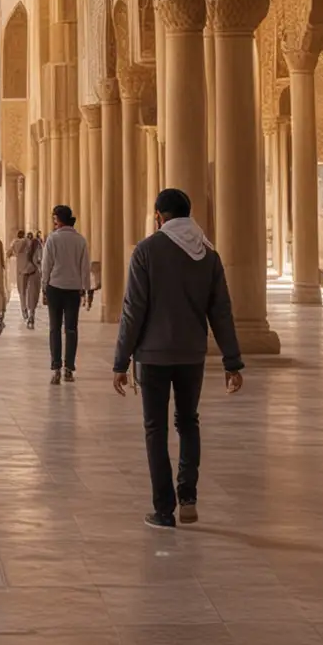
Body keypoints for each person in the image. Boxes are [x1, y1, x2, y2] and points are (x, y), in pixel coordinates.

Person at [113, 187, 244, 529]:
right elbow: (221, 312)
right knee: (188, 421)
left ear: (159, 216)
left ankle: (163, 509)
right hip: (191, 354)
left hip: (152, 356)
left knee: (155, 429)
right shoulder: (208, 254)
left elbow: (133, 311)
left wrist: (120, 360)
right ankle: (188, 496)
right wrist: (232, 362)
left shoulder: (146, 251)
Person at [41, 205, 93, 383]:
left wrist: (44, 287)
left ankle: (56, 368)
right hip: (73, 289)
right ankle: (69, 368)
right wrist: (86, 289)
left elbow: (46, 265)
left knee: (55, 328)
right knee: (71, 329)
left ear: (57, 219)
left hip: (55, 287)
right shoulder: (80, 240)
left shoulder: (53, 239)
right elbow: (85, 266)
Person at [8, 227, 40, 327]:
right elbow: (40, 257)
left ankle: (24, 310)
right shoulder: (36, 243)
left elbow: (9, 253)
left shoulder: (16, 243)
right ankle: (31, 313)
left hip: (21, 269)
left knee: (22, 291)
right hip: (33, 269)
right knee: (33, 292)